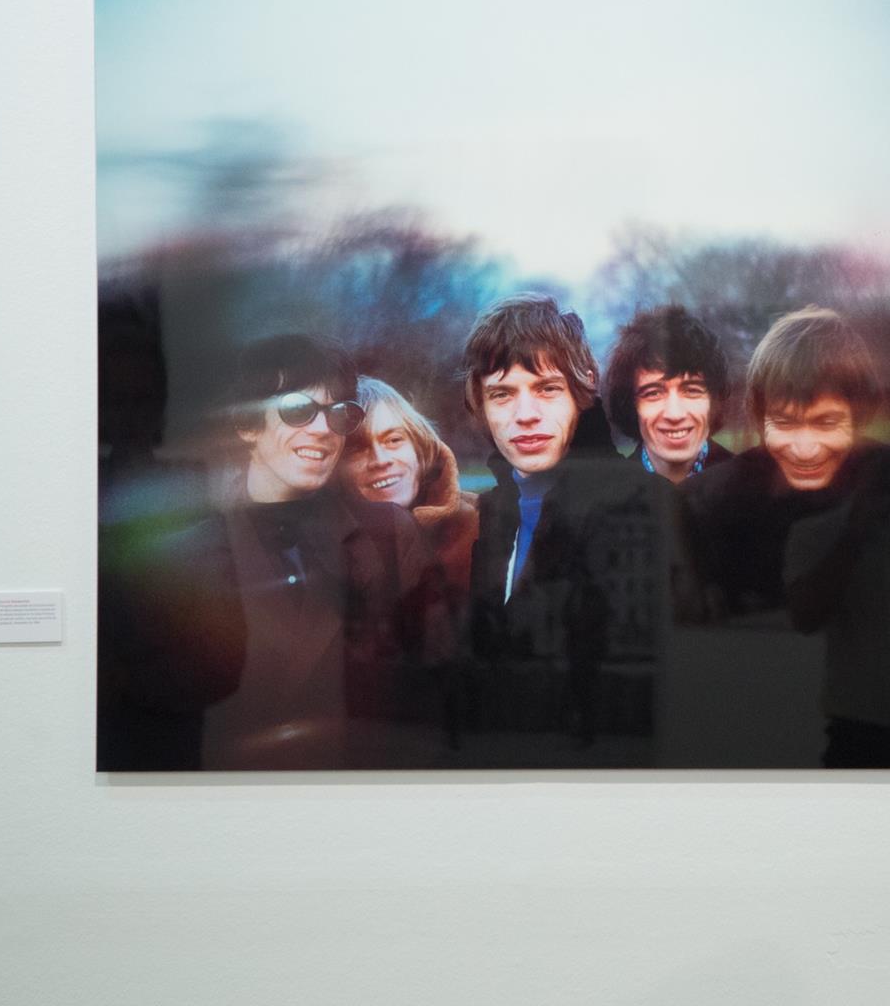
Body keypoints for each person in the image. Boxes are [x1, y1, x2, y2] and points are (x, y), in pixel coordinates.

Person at [97, 334, 446, 771]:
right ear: (247, 426)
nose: (322, 429)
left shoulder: (391, 537)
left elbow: (433, 686)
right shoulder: (175, 557)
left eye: (339, 414)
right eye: (298, 409)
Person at [684, 306, 890, 768]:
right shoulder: (720, 496)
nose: (804, 448)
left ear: (863, 413)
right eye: (785, 423)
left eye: (825, 423)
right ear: (758, 417)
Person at [459, 293, 683, 760]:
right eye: (502, 393)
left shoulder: (644, 501)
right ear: (478, 403)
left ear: (583, 390)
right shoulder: (490, 510)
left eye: (546, 389)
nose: (525, 415)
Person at [341, 375, 479, 607]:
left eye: (394, 440)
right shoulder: (324, 548)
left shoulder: (479, 524)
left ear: (420, 448)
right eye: (357, 449)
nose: (380, 460)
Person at [601, 304, 735, 483]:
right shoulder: (605, 501)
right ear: (631, 406)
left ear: (713, 401)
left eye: (691, 390)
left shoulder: (752, 491)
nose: (675, 414)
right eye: (653, 393)